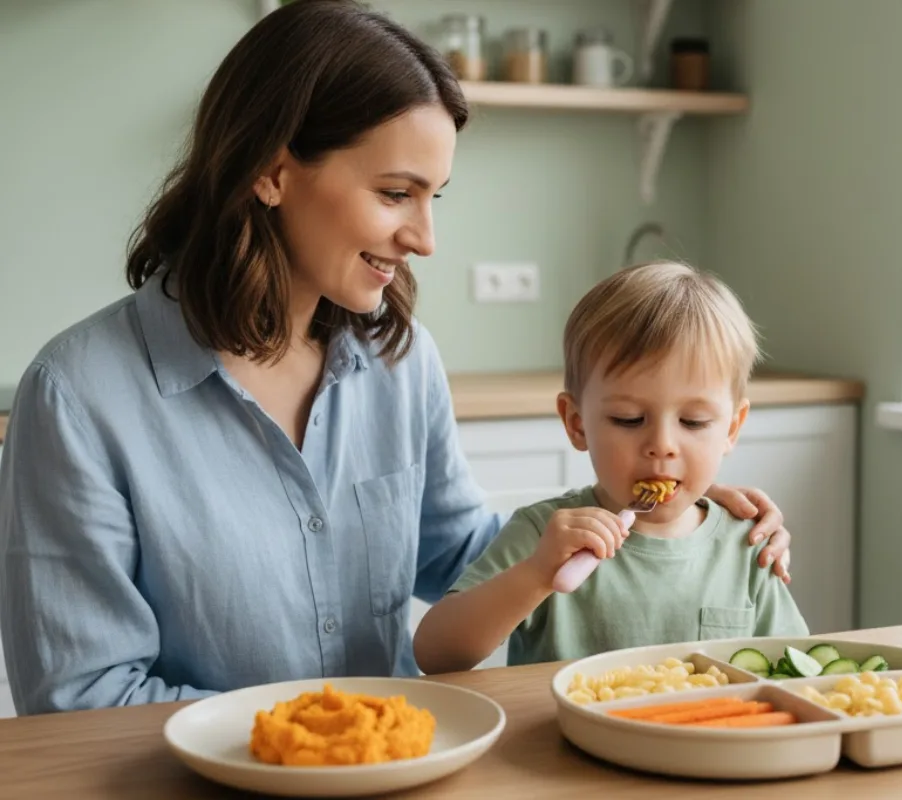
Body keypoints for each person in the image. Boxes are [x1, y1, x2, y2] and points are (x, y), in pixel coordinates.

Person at [0, 0, 792, 716]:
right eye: (394, 194)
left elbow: (462, 557)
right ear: (272, 172)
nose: (425, 238)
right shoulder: (78, 397)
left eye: (433, 197)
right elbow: (85, 700)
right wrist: (324, 740)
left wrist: (680, 519)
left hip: (402, 765)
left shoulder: (399, 362)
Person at [414, 261, 809, 675]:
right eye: (628, 419)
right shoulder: (544, 535)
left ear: (732, 428)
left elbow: (791, 670)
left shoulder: (747, 548)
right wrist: (535, 575)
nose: (662, 445)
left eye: (693, 422)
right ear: (576, 422)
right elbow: (436, 654)